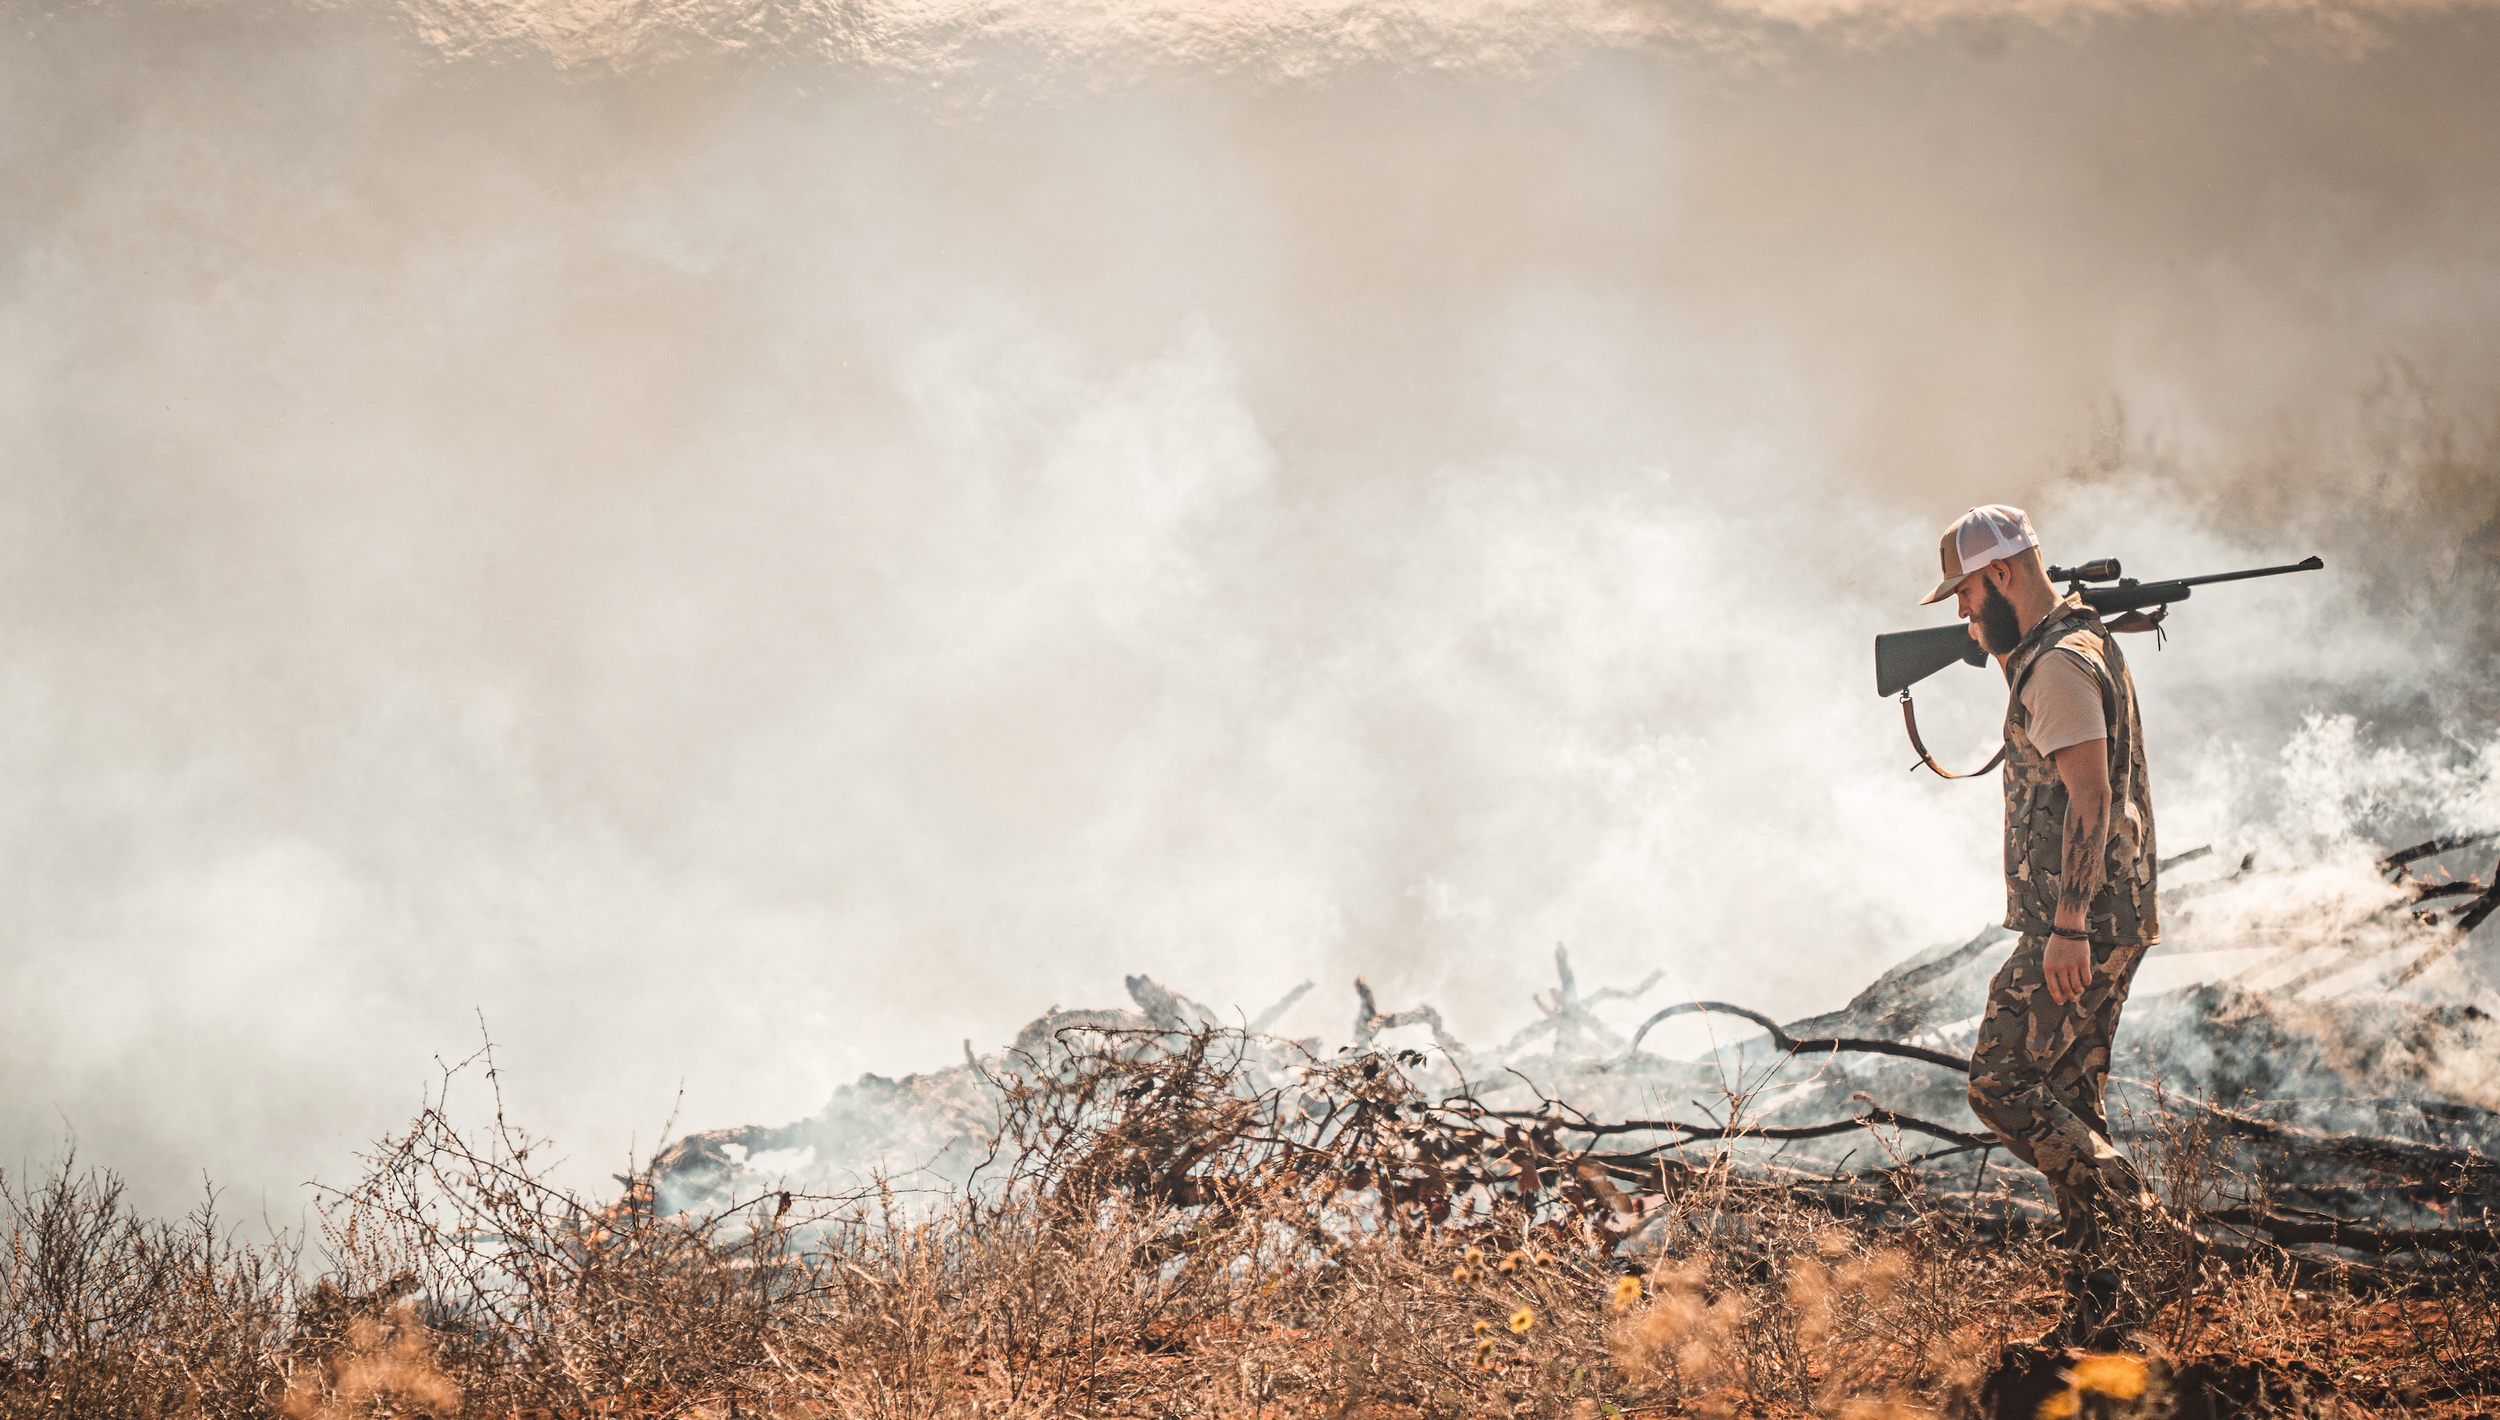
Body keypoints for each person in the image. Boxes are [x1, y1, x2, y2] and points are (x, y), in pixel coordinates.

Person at [1921, 504, 2173, 1350]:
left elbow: (2093, 795)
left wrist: (2067, 924)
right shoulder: (2066, 646)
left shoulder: (2058, 665)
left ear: (1999, 576)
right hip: (2109, 914)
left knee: (2001, 1082)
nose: (1962, 612)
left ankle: (2155, 1239)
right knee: (2069, 1103)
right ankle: (2103, 1316)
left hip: (2083, 921)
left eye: (1964, 593)